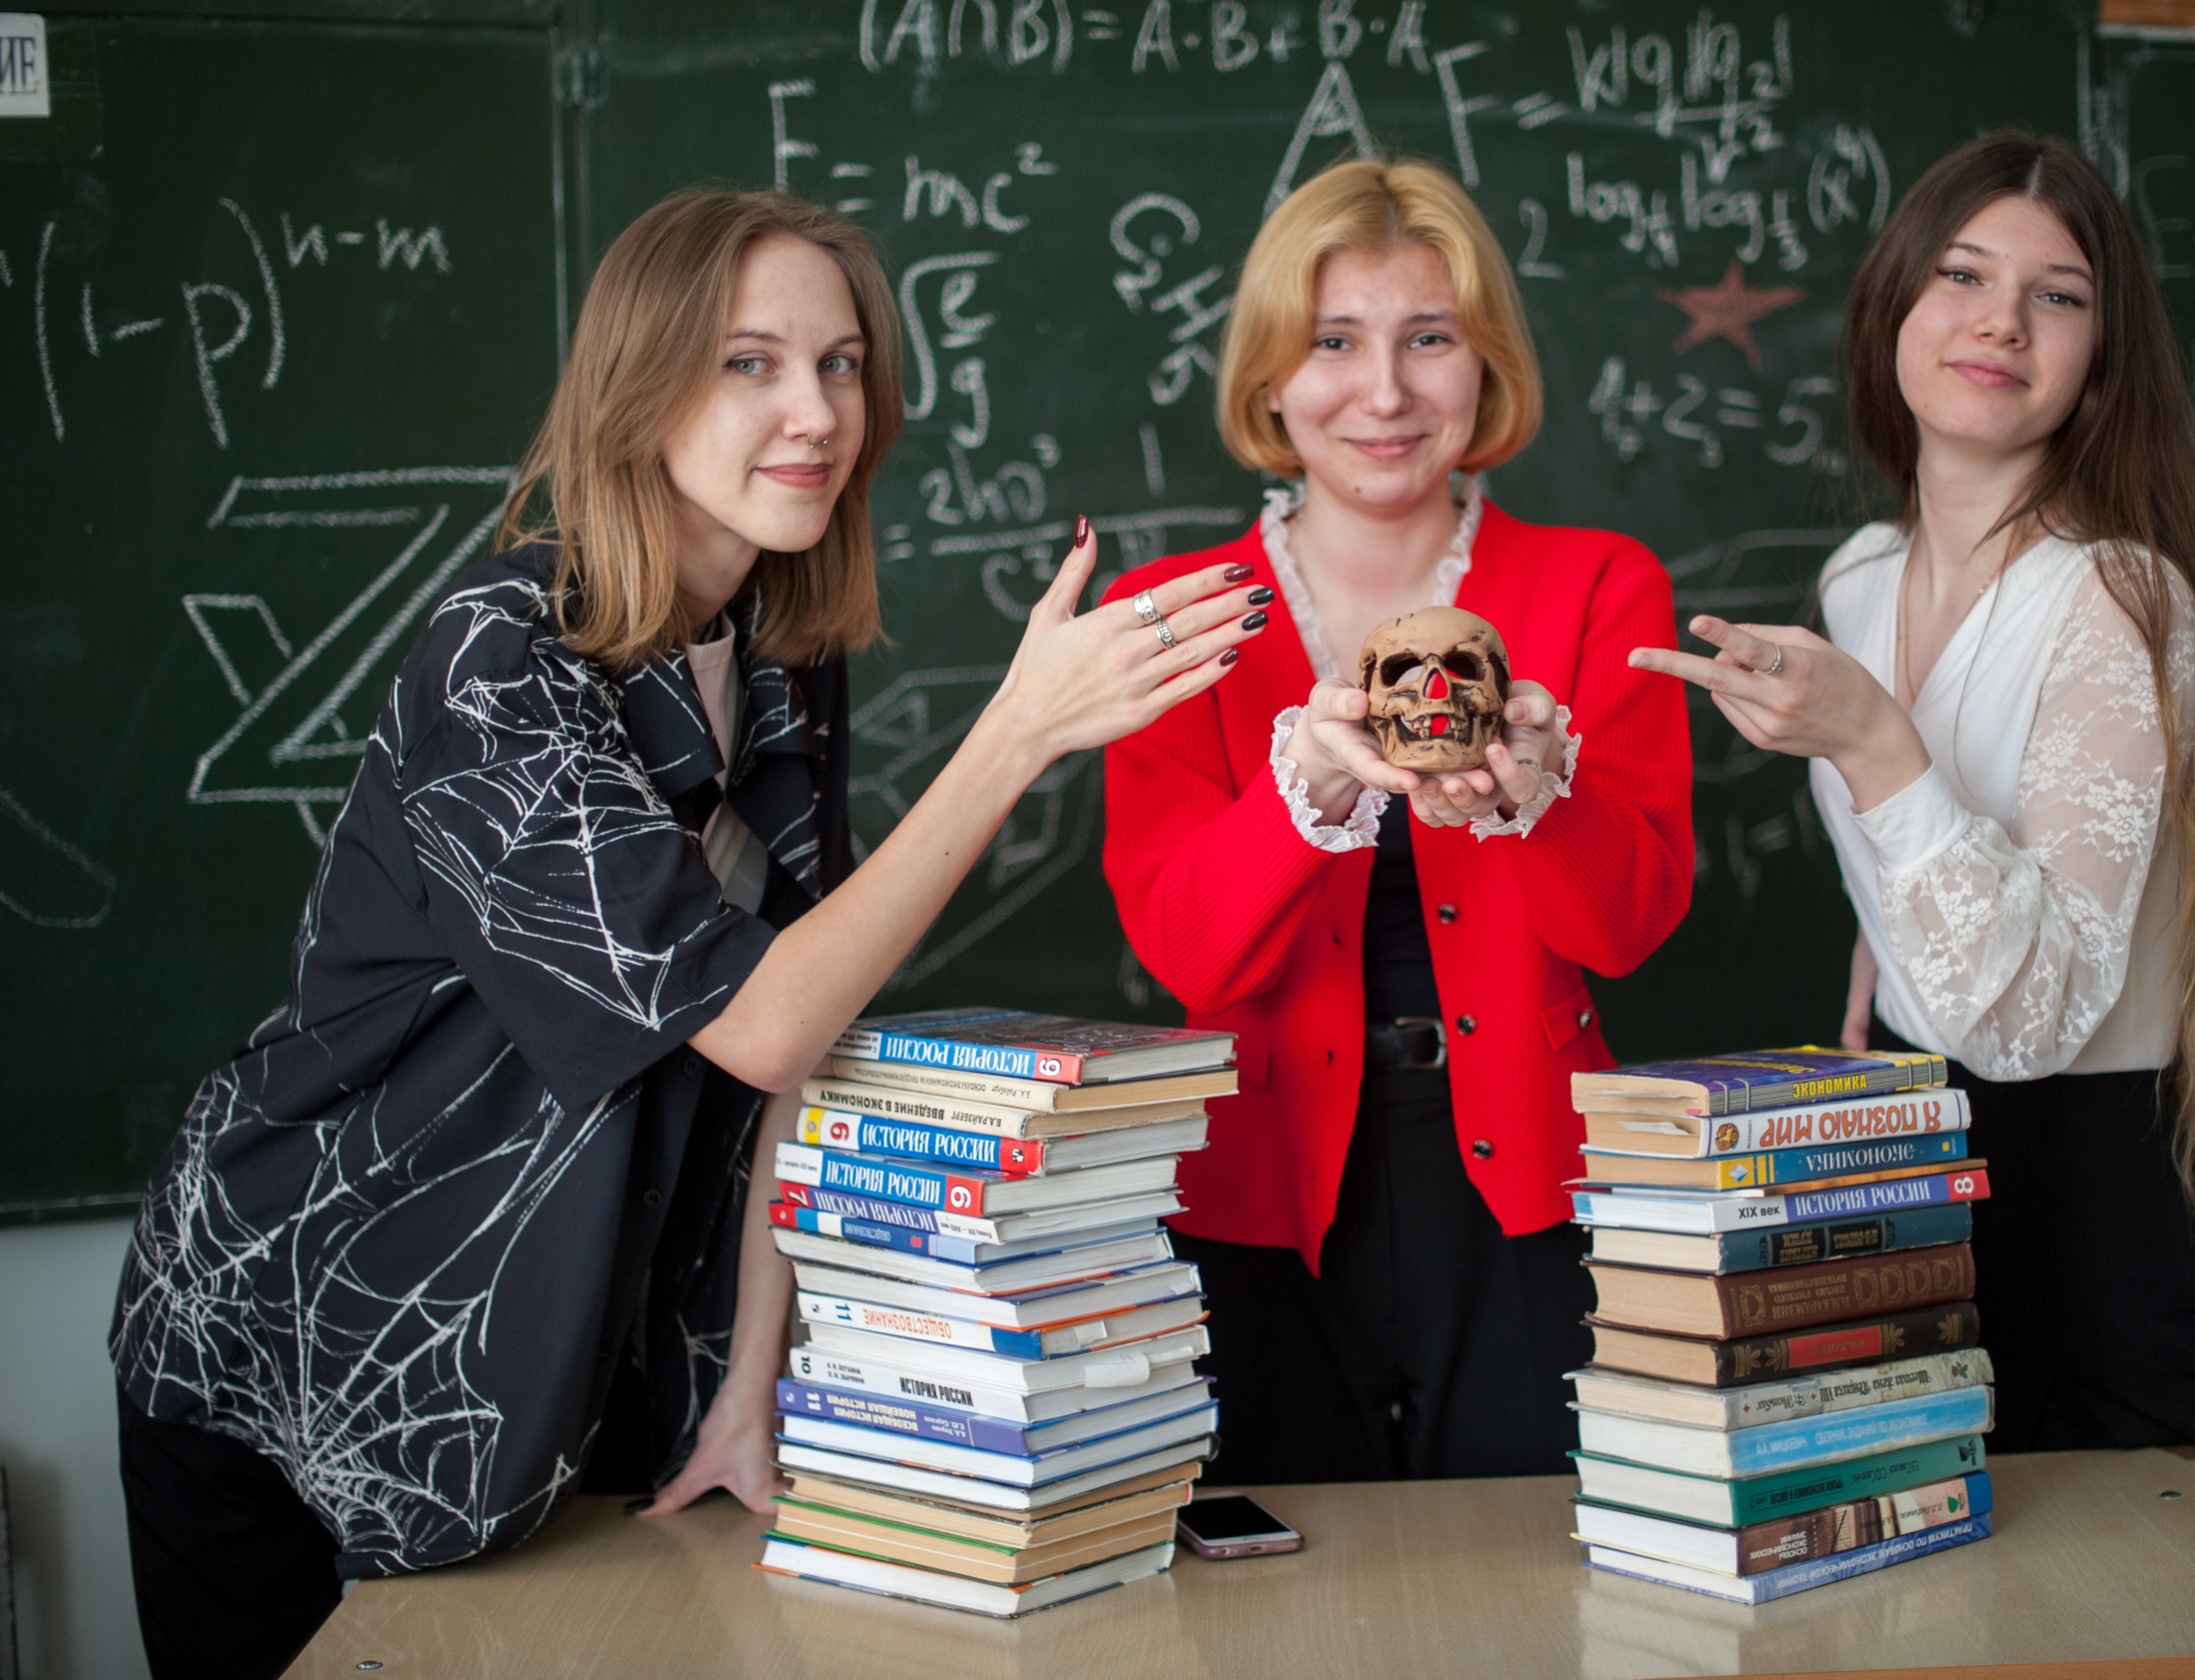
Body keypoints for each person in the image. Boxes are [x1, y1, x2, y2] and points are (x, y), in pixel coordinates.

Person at [109, 189, 1269, 1679]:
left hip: (574, 1359)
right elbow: (760, 1017)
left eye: (842, 365)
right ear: (637, 387)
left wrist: (745, 1386)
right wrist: (1019, 732)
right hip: (303, 1339)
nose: (816, 413)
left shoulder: (779, 655)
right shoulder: (502, 654)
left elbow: (808, 1036)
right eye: (749, 364)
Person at [1632, 133, 2195, 1472]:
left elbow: (2033, 1025)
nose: (2002, 320)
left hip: (2083, 1197)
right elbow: (1917, 877)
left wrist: (1877, 743)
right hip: (1902, 1164)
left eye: (2059, 294)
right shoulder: (1860, 577)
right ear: (1895, 310)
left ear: (2103, 355)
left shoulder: (2119, 596)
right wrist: (1881, 981)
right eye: (1964, 275)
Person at [1101, 159, 1694, 1485]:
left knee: (1539, 1569)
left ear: (1484, 367)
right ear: (1268, 376)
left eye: (1429, 339)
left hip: (1534, 1196)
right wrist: (1304, 795)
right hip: (1251, 1201)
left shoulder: (1600, 584)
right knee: (1277, 1571)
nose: (1383, 393)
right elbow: (1185, 953)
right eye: (1332, 342)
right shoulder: (1172, 616)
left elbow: (1628, 926)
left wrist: (1540, 800)